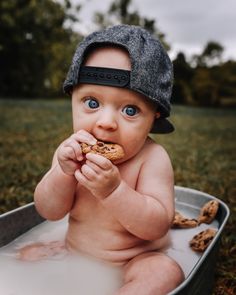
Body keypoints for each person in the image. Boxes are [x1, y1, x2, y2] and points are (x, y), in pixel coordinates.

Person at [33, 25, 184, 294]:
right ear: (72, 99)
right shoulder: (71, 152)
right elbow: (49, 211)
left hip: (133, 261)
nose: (106, 123)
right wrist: (62, 173)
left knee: (164, 272)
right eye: (91, 103)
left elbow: (158, 225)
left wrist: (115, 191)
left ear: (154, 116)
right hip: (75, 252)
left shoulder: (152, 159)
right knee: (28, 254)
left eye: (130, 110)